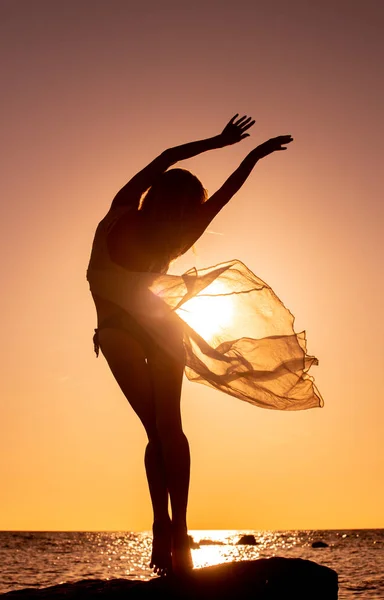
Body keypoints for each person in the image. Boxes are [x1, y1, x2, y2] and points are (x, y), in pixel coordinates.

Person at [86, 115, 323, 576]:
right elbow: (186, 171)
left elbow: (183, 171)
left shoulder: (149, 220)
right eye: (181, 206)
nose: (182, 215)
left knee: (162, 429)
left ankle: (171, 529)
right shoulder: (147, 220)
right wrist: (233, 149)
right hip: (136, 329)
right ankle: (170, 529)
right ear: (168, 201)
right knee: (163, 428)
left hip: (141, 328)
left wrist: (236, 151)